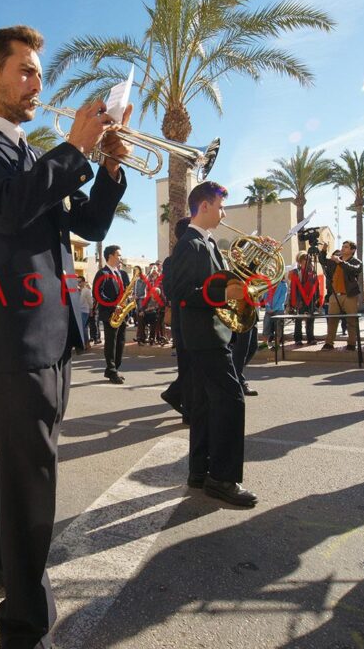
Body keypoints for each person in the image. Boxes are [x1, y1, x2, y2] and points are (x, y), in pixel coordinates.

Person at [0, 24, 128, 649]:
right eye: (25, 70)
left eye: (40, 74)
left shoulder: (31, 156)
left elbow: (89, 227)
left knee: (22, 455)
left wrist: (108, 167)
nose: (37, 84)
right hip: (15, 328)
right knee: (33, 469)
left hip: (54, 327)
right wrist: (72, 150)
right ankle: (24, 623)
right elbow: (5, 209)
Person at [163, 181, 254, 508]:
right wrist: (221, 294)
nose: (223, 213)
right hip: (206, 337)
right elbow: (180, 292)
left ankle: (200, 471)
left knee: (202, 405)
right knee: (232, 401)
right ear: (204, 206)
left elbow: (220, 282)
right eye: (220, 206)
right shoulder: (190, 244)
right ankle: (223, 479)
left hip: (207, 336)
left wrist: (248, 270)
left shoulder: (207, 242)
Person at [160, 218, 192, 419]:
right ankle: (187, 409)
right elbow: (170, 290)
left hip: (194, 320)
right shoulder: (171, 261)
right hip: (184, 320)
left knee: (193, 367)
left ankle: (175, 395)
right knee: (188, 366)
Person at [93, 245, 129, 383]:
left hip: (121, 313)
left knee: (120, 342)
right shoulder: (102, 273)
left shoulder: (120, 273)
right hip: (110, 313)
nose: (120, 257)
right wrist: (114, 306)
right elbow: (97, 294)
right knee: (111, 343)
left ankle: (114, 369)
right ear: (110, 256)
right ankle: (112, 370)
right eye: (118, 255)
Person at [321, 241, 362, 351]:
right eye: (343, 246)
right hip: (335, 295)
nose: (343, 248)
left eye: (346, 247)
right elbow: (322, 261)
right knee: (332, 320)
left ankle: (351, 344)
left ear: (352, 250)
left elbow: (355, 269)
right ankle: (329, 343)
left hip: (350, 295)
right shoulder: (335, 260)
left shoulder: (356, 262)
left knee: (351, 320)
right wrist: (324, 249)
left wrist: (340, 262)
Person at [288, 251, 322, 345]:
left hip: (310, 299)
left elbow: (317, 286)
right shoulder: (296, 271)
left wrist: (317, 299)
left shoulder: (313, 271)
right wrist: (293, 302)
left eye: (309, 259)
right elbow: (293, 287)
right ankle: (298, 339)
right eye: (305, 259)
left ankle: (311, 338)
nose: (308, 260)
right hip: (299, 298)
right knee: (298, 319)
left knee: (310, 319)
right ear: (300, 260)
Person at [261, 266, 290, 349]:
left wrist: (274, 309)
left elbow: (282, 299)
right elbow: (265, 296)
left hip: (279, 310)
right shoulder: (269, 284)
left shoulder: (283, 285)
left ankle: (277, 344)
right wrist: (268, 307)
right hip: (268, 309)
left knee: (278, 327)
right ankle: (264, 343)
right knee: (266, 325)